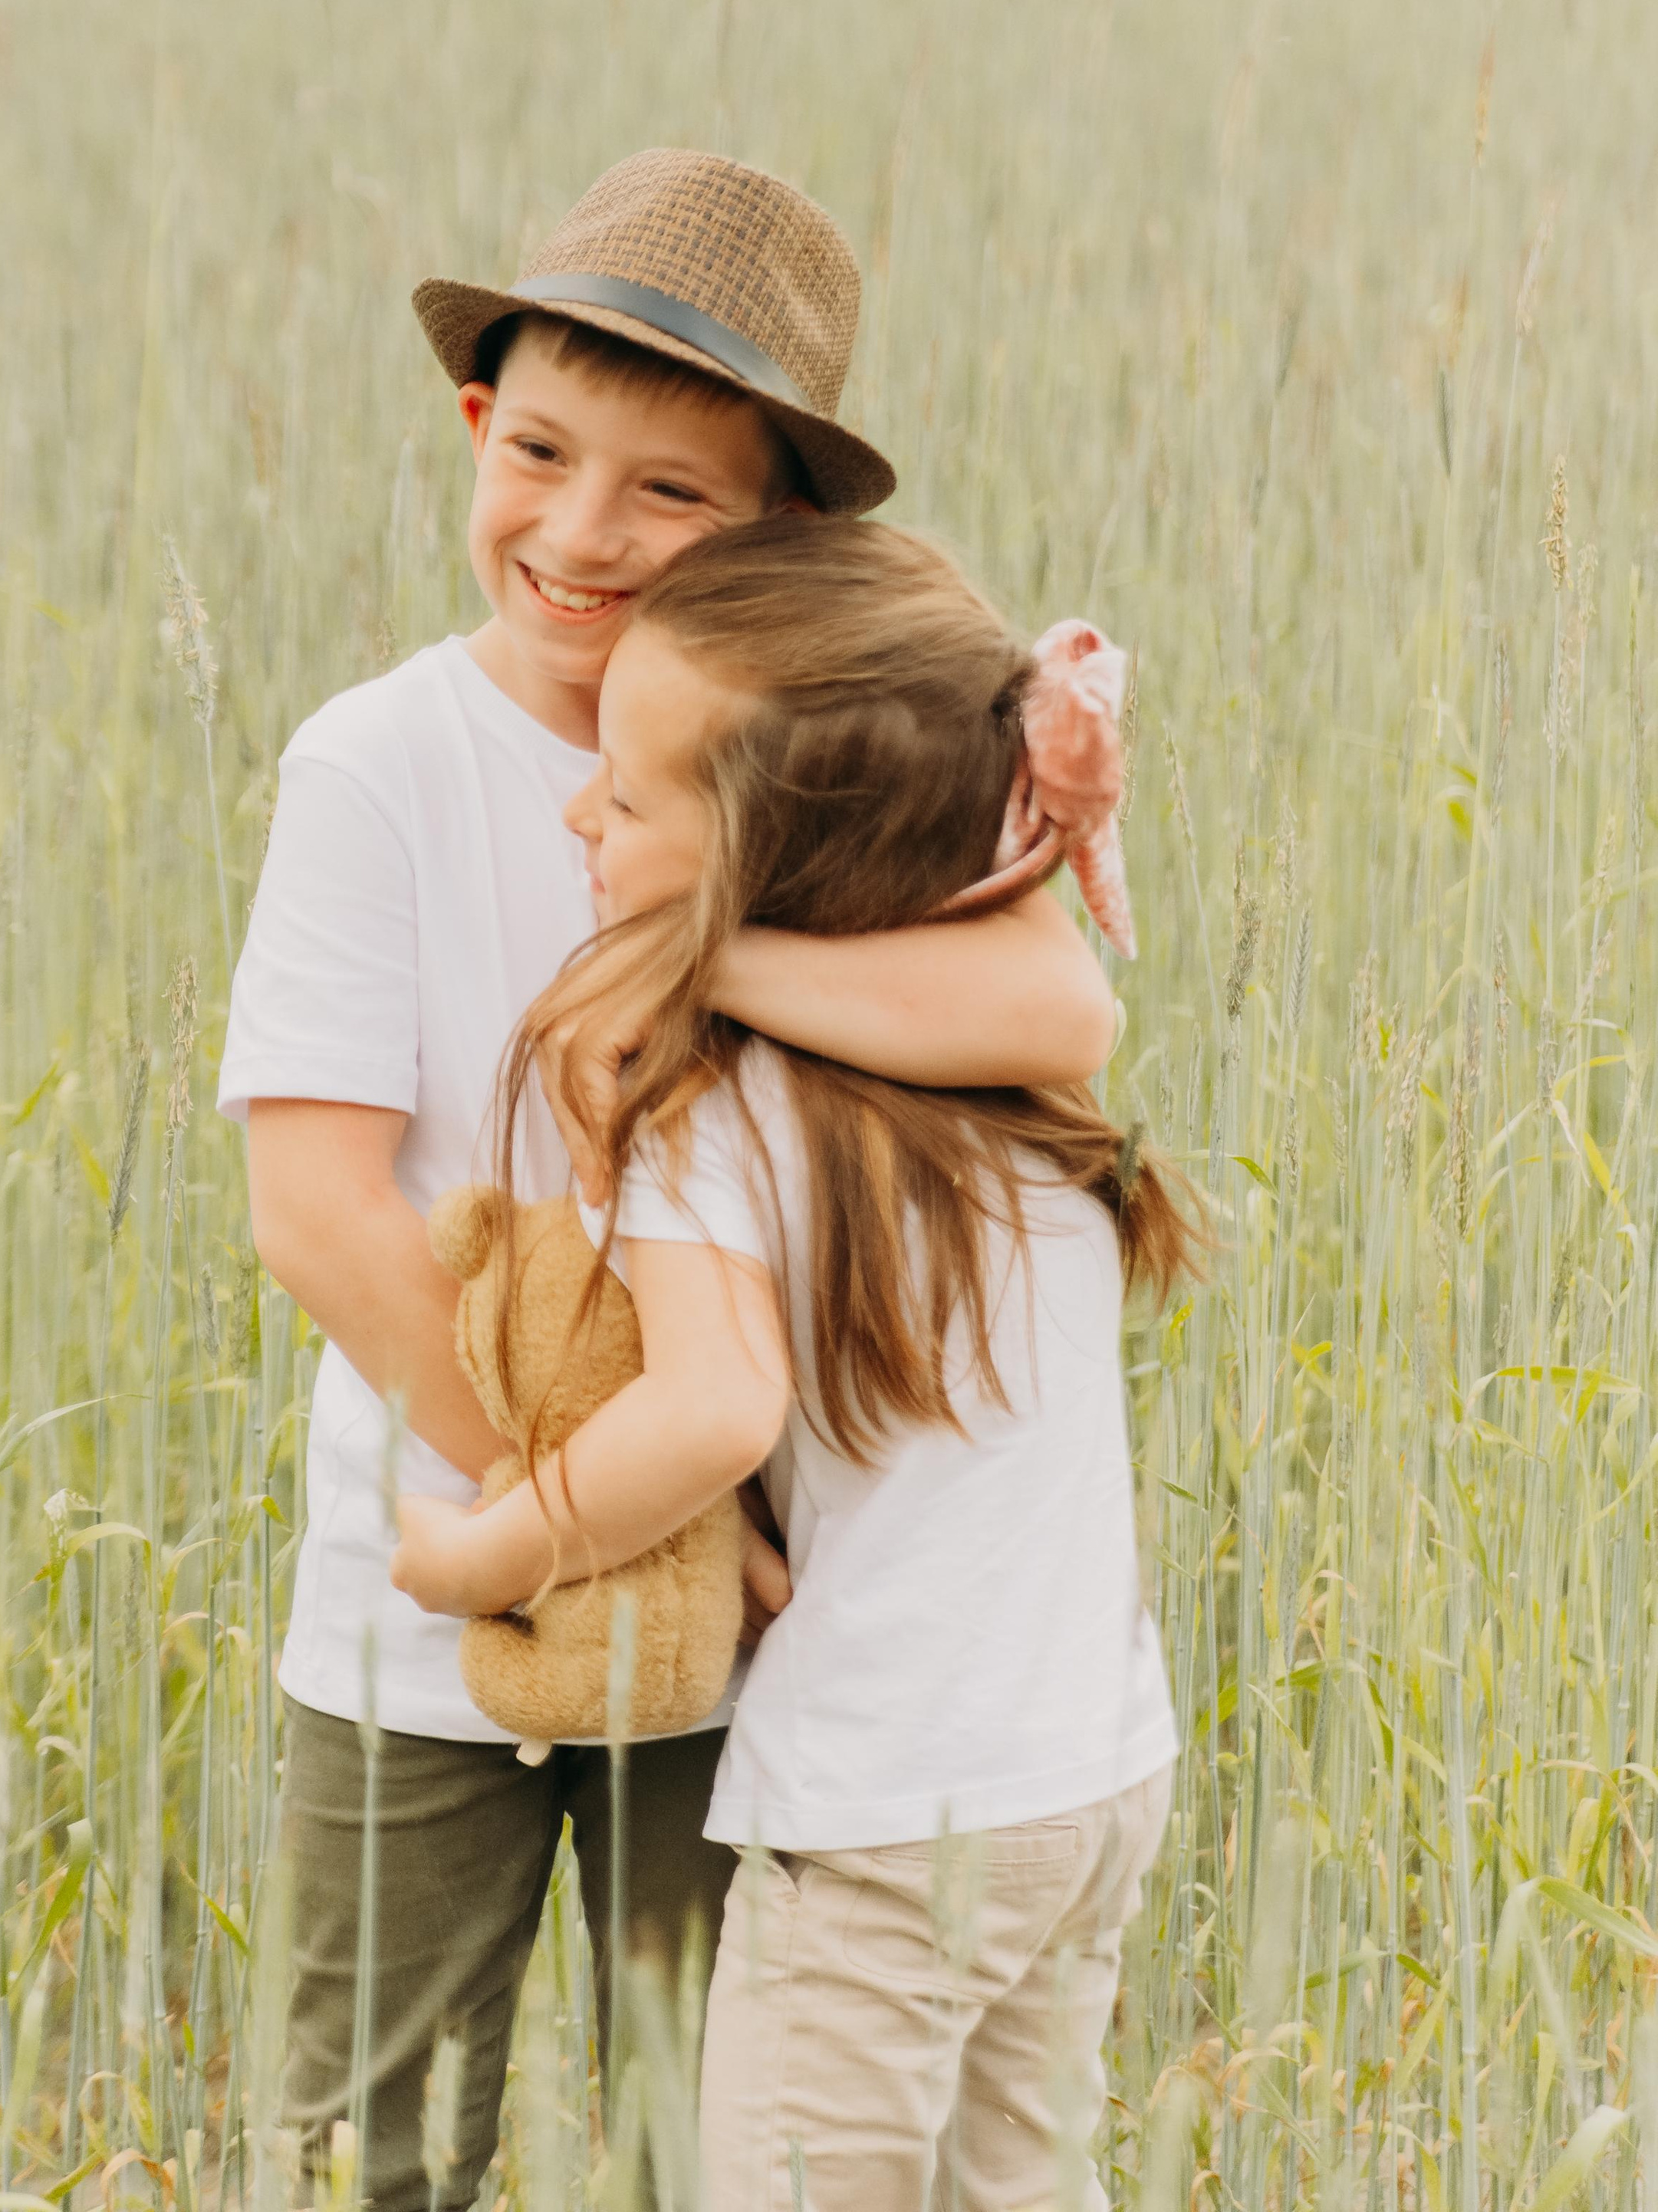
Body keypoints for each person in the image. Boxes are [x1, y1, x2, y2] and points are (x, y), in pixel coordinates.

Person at [218, 150, 1122, 2207]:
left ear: (785, 537)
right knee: (373, 2151)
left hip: (739, 1635)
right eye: (540, 452)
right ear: (476, 429)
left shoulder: (830, 768)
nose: (582, 532)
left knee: (684, 2137)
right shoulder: (378, 761)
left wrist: (711, 947)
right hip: (440, 1585)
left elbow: (1059, 1009)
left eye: (671, 494)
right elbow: (319, 1206)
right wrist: (603, 1510)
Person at [391, 512, 1203, 2212]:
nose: (578, 818)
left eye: (622, 799)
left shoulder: (713, 1102)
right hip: (1090, 1775)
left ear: (759, 851)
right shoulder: (993, 1072)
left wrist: (486, 1544)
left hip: (890, 1814)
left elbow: (710, 1406)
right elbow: (1071, 1001)